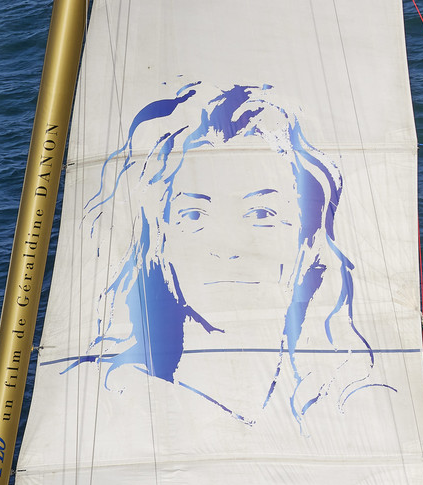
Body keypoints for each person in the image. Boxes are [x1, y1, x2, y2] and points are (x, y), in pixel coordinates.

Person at [69, 82, 391, 430]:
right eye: (193, 215)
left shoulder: (358, 405)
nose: (227, 247)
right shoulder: (98, 408)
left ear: (308, 243)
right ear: (161, 246)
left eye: (262, 214)